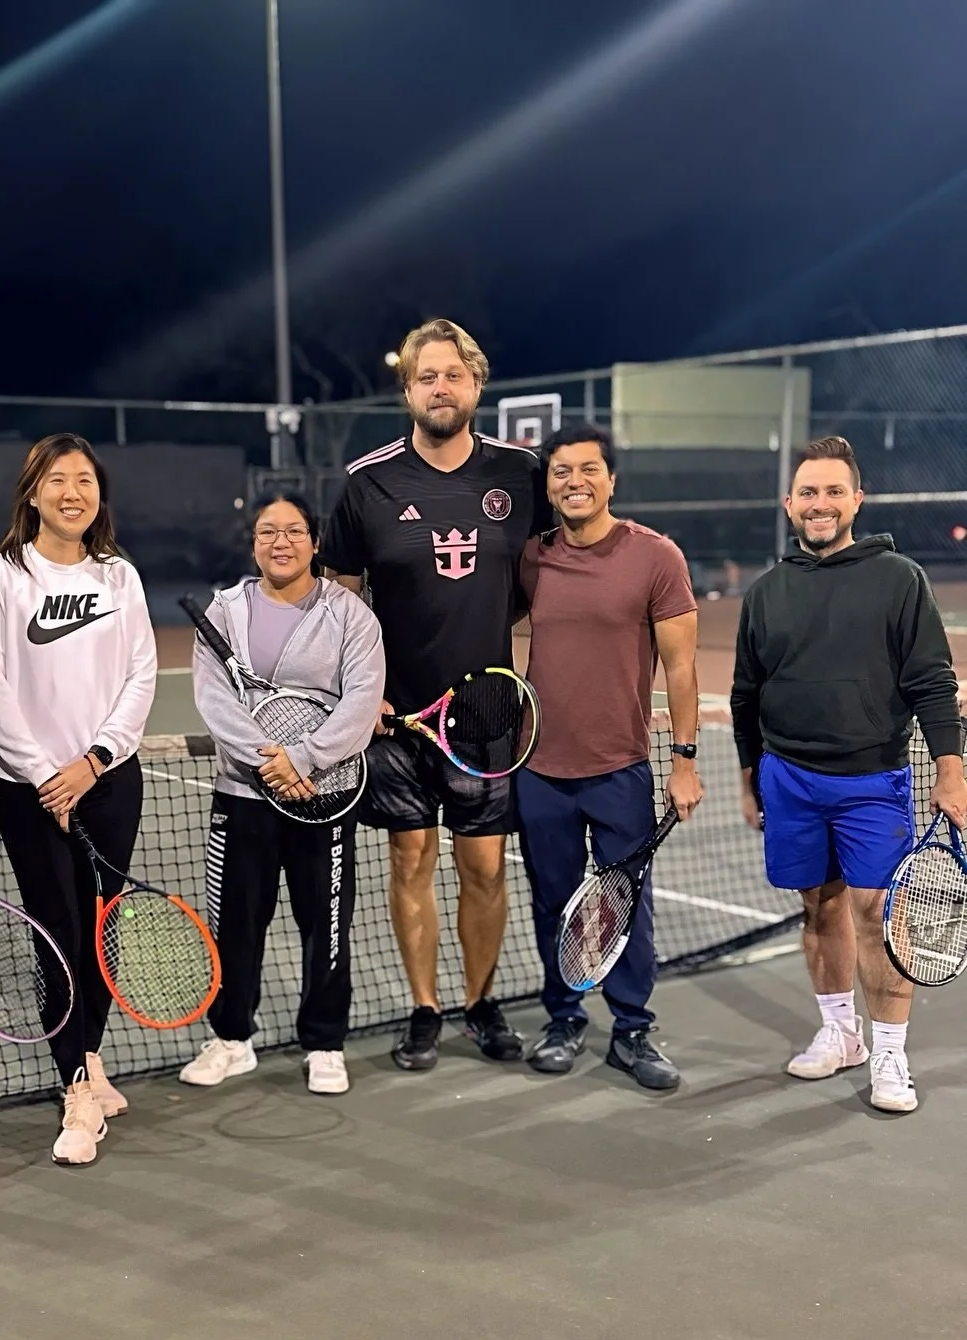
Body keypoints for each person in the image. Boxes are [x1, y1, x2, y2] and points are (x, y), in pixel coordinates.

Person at [319, 317, 550, 1071]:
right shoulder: (367, 482)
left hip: (487, 711)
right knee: (408, 860)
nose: (440, 387)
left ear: (476, 384)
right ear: (408, 388)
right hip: (398, 720)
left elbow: (549, 579)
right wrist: (365, 691)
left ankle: (482, 1003)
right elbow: (340, 601)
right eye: (427, 376)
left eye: (453, 374)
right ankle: (424, 1008)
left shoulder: (523, 475)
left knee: (483, 869)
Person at [731, 435, 967, 1114]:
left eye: (834, 491)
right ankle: (841, 1035)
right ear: (789, 503)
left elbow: (930, 683)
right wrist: (751, 776)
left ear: (857, 500)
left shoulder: (900, 579)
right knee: (818, 906)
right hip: (789, 779)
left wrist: (950, 775)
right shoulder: (768, 591)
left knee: (879, 916)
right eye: (808, 492)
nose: (820, 504)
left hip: (872, 781)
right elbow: (746, 694)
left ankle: (891, 1056)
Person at [0, 433, 156, 1165]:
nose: (72, 492)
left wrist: (94, 761)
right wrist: (48, 774)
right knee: (59, 939)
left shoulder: (120, 578)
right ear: (33, 492)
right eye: (57, 480)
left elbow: (141, 676)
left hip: (110, 784)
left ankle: (89, 1057)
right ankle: (76, 1086)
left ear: (98, 495)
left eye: (84, 480)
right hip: (31, 792)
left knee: (101, 937)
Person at [180, 489, 385, 1095]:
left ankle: (324, 1042)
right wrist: (266, 764)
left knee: (326, 924)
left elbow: (362, 698)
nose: (281, 542)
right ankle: (231, 1038)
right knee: (236, 924)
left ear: (314, 542)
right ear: (253, 544)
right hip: (244, 797)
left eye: (293, 531)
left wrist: (303, 759)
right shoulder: (224, 612)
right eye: (268, 532)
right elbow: (215, 698)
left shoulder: (350, 615)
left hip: (327, 797)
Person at [516, 426, 702, 1090]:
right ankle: (562, 1016)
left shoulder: (656, 557)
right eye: (561, 471)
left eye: (588, 469)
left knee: (624, 903)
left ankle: (631, 1029)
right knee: (552, 903)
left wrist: (683, 759)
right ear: (549, 485)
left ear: (611, 480)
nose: (574, 481)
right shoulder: (531, 559)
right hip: (538, 769)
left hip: (621, 767)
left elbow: (681, 670)